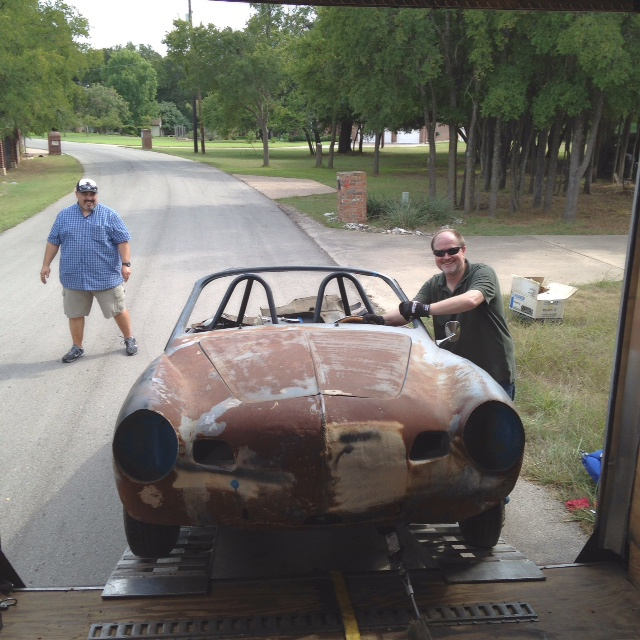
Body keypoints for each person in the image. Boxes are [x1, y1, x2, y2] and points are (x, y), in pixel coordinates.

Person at [364, 228, 516, 400]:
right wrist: (379, 320)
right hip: (454, 371)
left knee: (492, 425)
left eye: (452, 250)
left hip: (492, 373)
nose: (446, 257)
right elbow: (410, 311)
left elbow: (471, 299)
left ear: (463, 250)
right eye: (439, 253)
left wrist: (426, 309)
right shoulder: (434, 284)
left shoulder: (483, 273)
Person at [40, 178, 138, 363]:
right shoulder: (64, 216)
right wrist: (46, 265)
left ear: (96, 195)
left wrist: (126, 264)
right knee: (75, 313)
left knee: (118, 309)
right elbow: (53, 241)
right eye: (84, 194)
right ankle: (77, 347)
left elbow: (123, 241)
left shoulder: (110, 215)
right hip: (74, 276)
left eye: (92, 194)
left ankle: (129, 339)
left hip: (105, 276)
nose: (89, 198)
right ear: (76, 195)